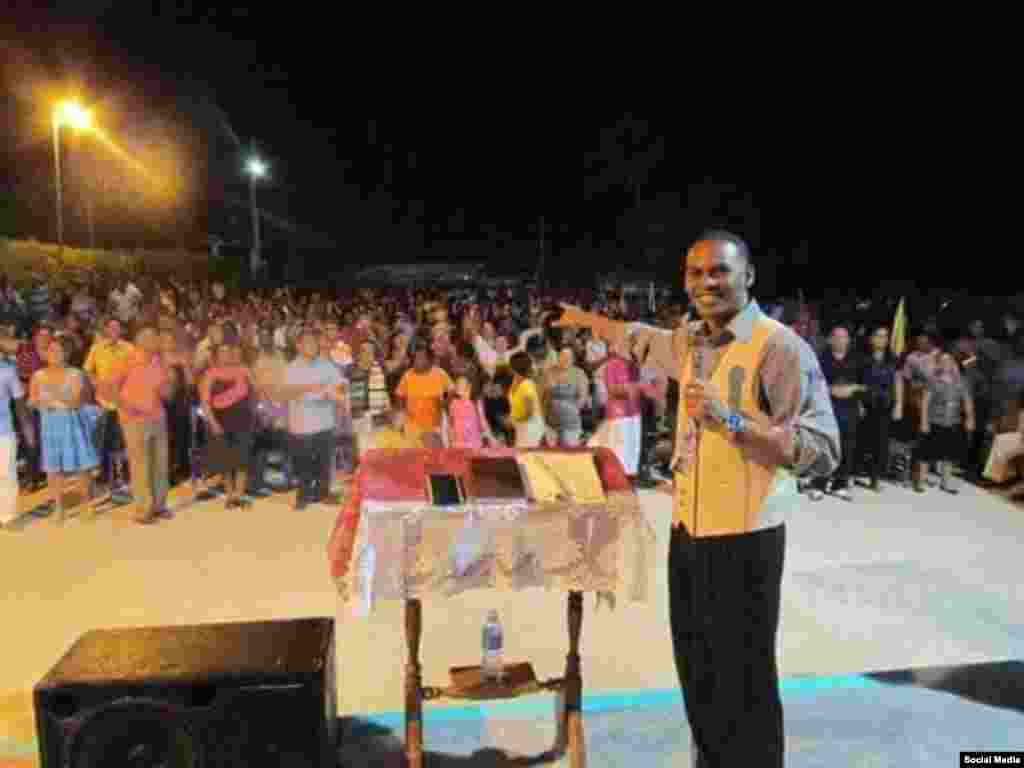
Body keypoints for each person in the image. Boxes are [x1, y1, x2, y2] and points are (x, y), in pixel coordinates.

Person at [554, 230, 839, 767]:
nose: (706, 283)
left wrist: (730, 419)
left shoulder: (778, 347)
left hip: (746, 541)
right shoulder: (690, 340)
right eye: (695, 273)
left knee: (744, 683)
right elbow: (637, 337)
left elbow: (823, 449)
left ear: (748, 276)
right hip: (689, 535)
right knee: (699, 672)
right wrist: (584, 321)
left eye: (719, 271)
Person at [29, 336, 101, 523]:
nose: (54, 354)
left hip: (72, 425)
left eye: (59, 350)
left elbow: (76, 401)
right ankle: (58, 507)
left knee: (82, 466)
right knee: (53, 470)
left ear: (67, 353)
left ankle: (86, 503)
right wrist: (43, 402)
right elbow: (32, 400)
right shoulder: (38, 375)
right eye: (51, 350)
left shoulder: (75, 373)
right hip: (49, 428)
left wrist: (49, 399)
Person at [112, 327, 175, 524]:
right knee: (140, 465)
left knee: (160, 463)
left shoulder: (159, 362)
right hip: (134, 421)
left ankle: (159, 506)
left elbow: (167, 394)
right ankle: (142, 509)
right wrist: (125, 408)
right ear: (141, 341)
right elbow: (109, 387)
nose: (157, 340)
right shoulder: (127, 360)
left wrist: (169, 378)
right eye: (153, 337)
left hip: (157, 418)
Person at [278, 331, 344, 510]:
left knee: (324, 462)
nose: (312, 346)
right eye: (307, 343)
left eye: (315, 343)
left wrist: (331, 393)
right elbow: (286, 393)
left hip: (325, 421)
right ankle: (303, 496)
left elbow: (340, 386)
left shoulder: (327, 365)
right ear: (298, 346)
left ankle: (323, 493)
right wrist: (311, 387)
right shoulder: (291, 368)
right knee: (304, 463)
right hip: (302, 424)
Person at [808, 325, 864, 501]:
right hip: (827, 408)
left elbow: (865, 384)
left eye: (844, 337)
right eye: (837, 337)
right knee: (824, 446)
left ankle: (840, 484)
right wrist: (830, 390)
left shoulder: (857, 359)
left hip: (849, 408)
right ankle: (818, 484)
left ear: (848, 341)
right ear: (830, 339)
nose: (841, 340)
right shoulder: (820, 358)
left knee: (847, 447)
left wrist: (854, 389)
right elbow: (812, 382)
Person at [199, 342, 256, 509]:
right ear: (216, 356)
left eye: (229, 351)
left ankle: (239, 494)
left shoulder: (244, 370)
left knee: (242, 458)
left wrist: (255, 411)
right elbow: (205, 402)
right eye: (222, 352)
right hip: (221, 420)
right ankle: (230, 495)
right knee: (226, 460)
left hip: (243, 419)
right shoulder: (210, 374)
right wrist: (213, 423)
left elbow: (256, 390)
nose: (227, 355)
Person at [917, 349, 976, 494]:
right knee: (926, 452)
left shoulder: (960, 381)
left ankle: (945, 482)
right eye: (942, 361)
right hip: (934, 421)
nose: (945, 364)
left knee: (949, 455)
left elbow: (967, 401)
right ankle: (921, 481)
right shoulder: (933, 380)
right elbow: (925, 401)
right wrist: (924, 421)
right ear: (938, 364)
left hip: (952, 422)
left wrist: (970, 418)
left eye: (948, 361)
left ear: (953, 363)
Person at [859, 325, 903, 491]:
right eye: (878, 336)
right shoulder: (862, 358)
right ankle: (853, 474)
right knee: (862, 441)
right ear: (871, 339)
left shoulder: (893, 359)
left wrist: (898, 405)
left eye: (885, 336)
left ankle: (875, 478)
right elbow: (857, 381)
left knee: (881, 443)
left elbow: (898, 382)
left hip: (885, 406)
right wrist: (858, 403)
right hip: (866, 405)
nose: (881, 339)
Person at [0, 353, 36, 527]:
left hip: (4, 432)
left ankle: (7, 516)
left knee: (6, 475)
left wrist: (28, 431)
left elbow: (20, 405)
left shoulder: (7, 371)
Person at [395, 347, 453, 446]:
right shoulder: (407, 375)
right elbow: (399, 394)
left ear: (430, 360)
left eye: (421, 358)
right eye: (415, 358)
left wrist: (445, 404)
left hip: (434, 427)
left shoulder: (440, 373)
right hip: (412, 427)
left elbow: (451, 390)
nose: (417, 360)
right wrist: (402, 411)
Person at [542, 347, 590, 447]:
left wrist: (572, 410)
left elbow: (583, 397)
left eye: (568, 357)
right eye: (562, 356)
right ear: (558, 357)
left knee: (569, 453)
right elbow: (544, 396)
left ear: (573, 359)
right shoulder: (549, 372)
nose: (564, 359)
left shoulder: (579, 373)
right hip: (550, 422)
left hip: (571, 422)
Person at [506, 351, 545, 448]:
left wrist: (512, 420)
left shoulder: (527, 384)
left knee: (526, 459)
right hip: (521, 428)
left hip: (530, 429)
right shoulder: (516, 381)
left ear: (514, 367)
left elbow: (529, 412)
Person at [447, 375, 496, 449]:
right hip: (458, 445)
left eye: (461, 384)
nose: (458, 386)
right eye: (457, 384)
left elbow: (483, 423)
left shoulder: (476, 402)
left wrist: (492, 439)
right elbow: (451, 424)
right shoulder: (453, 403)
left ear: (469, 386)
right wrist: (451, 442)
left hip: (474, 444)